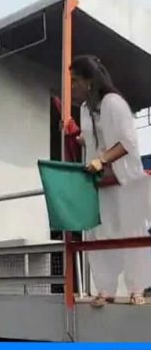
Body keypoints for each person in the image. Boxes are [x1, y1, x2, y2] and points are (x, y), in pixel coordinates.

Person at [71, 55, 151, 307]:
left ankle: (136, 289)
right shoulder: (85, 109)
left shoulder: (113, 102)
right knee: (101, 235)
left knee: (131, 234)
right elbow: (95, 135)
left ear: (89, 81)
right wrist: (82, 140)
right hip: (102, 185)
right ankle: (105, 289)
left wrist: (102, 159)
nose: (72, 87)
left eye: (75, 81)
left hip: (126, 181)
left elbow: (127, 142)